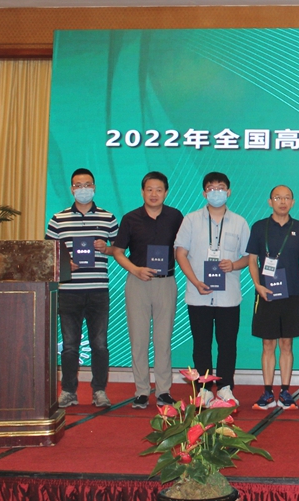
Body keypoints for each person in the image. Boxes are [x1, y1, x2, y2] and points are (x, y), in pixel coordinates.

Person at [174, 172, 250, 407]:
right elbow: (180, 253)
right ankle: (204, 389)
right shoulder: (191, 220)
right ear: (204, 193)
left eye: (221, 188)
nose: (216, 192)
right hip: (199, 294)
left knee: (227, 344)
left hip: (229, 296)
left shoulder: (239, 222)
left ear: (229, 192)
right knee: (201, 344)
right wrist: (195, 281)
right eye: (211, 188)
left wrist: (233, 265)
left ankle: (225, 388)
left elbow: (249, 257)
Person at [45, 168, 119, 409]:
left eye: (87, 184)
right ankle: (68, 391)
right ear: (72, 189)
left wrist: (106, 248)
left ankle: (99, 391)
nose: (83, 189)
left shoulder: (108, 218)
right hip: (68, 291)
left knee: (100, 344)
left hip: (98, 290)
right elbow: (49, 254)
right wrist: (66, 263)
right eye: (78, 185)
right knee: (69, 346)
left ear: (94, 187)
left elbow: (119, 249)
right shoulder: (58, 219)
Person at [110, 171, 185, 409]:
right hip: (138, 283)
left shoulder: (175, 217)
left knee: (163, 340)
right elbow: (118, 252)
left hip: (166, 283)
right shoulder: (130, 218)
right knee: (139, 339)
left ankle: (163, 391)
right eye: (149, 189)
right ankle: (142, 391)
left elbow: (183, 248)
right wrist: (135, 270)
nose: (154, 194)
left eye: (159, 190)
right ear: (142, 192)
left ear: (166, 192)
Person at [246, 185, 299, 410]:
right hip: (267, 294)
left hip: (291, 293)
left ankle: (284, 391)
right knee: (267, 344)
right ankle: (266, 392)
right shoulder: (259, 227)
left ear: (292, 202)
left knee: (286, 343)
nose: (282, 202)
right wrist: (258, 286)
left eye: (287, 198)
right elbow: (252, 260)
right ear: (270, 201)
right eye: (278, 198)